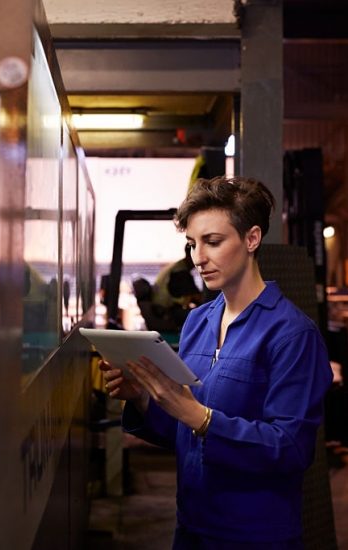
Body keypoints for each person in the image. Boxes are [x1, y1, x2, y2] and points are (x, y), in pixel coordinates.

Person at [100, 175, 333, 549]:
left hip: (256, 535)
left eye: (213, 242)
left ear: (251, 239)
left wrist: (203, 418)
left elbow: (291, 448)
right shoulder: (199, 321)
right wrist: (146, 397)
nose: (198, 258)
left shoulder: (292, 335)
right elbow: (183, 430)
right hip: (192, 525)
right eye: (192, 244)